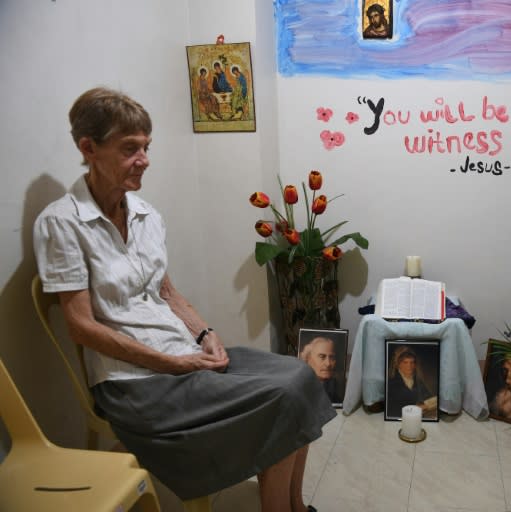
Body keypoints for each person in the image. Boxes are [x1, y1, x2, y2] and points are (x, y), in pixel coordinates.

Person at [32, 87, 334, 512]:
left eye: (146, 147)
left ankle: (295, 506)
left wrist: (205, 334)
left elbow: (167, 292)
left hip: (182, 355)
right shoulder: (62, 224)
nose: (144, 159)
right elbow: (81, 326)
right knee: (282, 397)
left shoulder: (145, 215)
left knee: (300, 376)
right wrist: (173, 364)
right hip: (134, 383)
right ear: (89, 148)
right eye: (130, 149)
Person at [385, 346, 437, 420]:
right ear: (398, 364)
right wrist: (424, 405)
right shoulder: (391, 382)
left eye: (412, 362)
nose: (409, 366)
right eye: (405, 362)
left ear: (415, 364)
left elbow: (429, 397)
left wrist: (426, 405)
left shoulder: (418, 381)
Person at [299, 336, 342, 404]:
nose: (328, 364)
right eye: (322, 357)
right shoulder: (299, 389)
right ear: (307, 359)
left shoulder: (334, 389)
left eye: (332, 357)